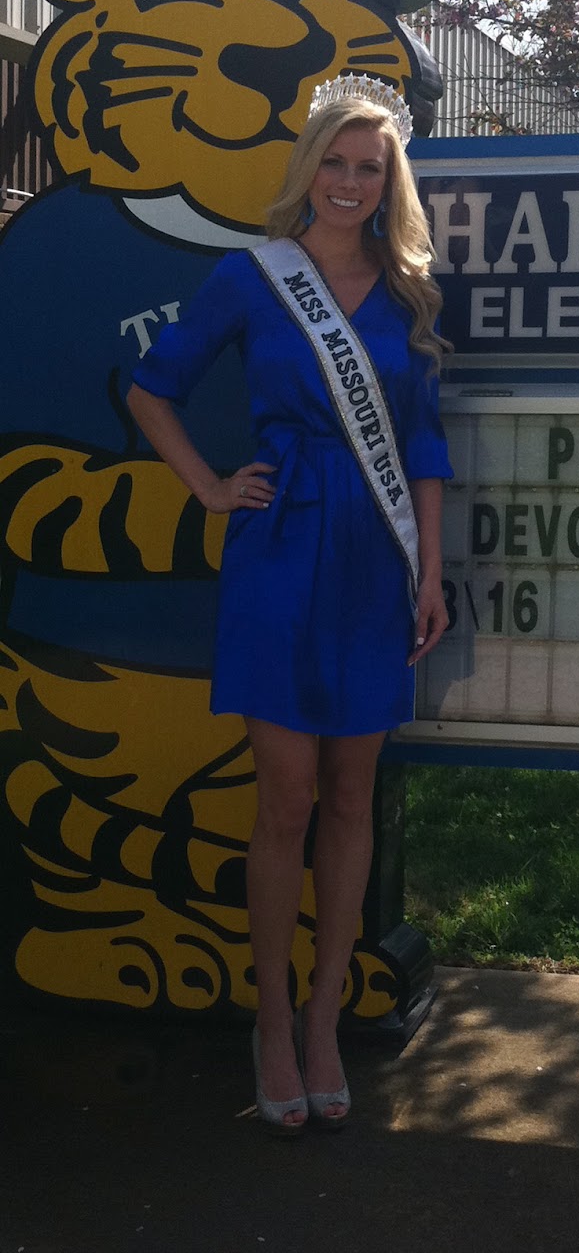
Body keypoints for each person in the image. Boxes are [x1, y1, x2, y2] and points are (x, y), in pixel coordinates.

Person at [127, 77, 452, 1134]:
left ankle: (323, 1018)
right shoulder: (251, 277)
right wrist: (213, 485)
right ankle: (269, 1018)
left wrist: (432, 571)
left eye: (372, 167)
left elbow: (424, 447)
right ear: (308, 164)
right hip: (277, 545)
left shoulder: (406, 295)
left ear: (388, 181)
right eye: (337, 160)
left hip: (376, 552)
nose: (351, 182)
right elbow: (150, 388)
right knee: (287, 793)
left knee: (353, 795)